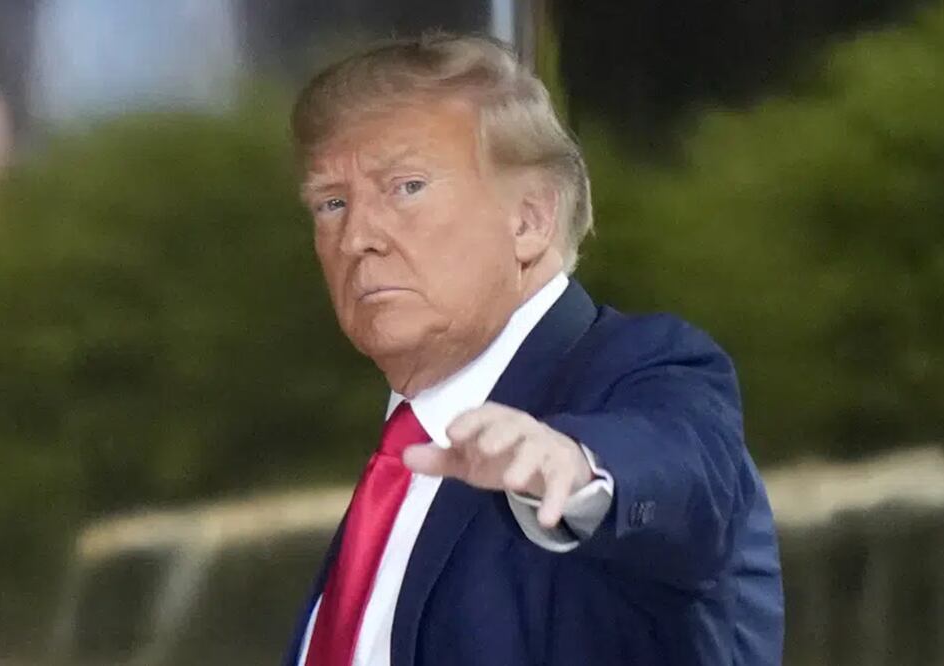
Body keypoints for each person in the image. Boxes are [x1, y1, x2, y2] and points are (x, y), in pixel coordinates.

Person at [282, 34, 783, 666]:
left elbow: (685, 469)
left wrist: (579, 467)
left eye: (406, 187)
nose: (356, 237)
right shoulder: (400, 462)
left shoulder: (647, 367)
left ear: (529, 220)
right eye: (332, 203)